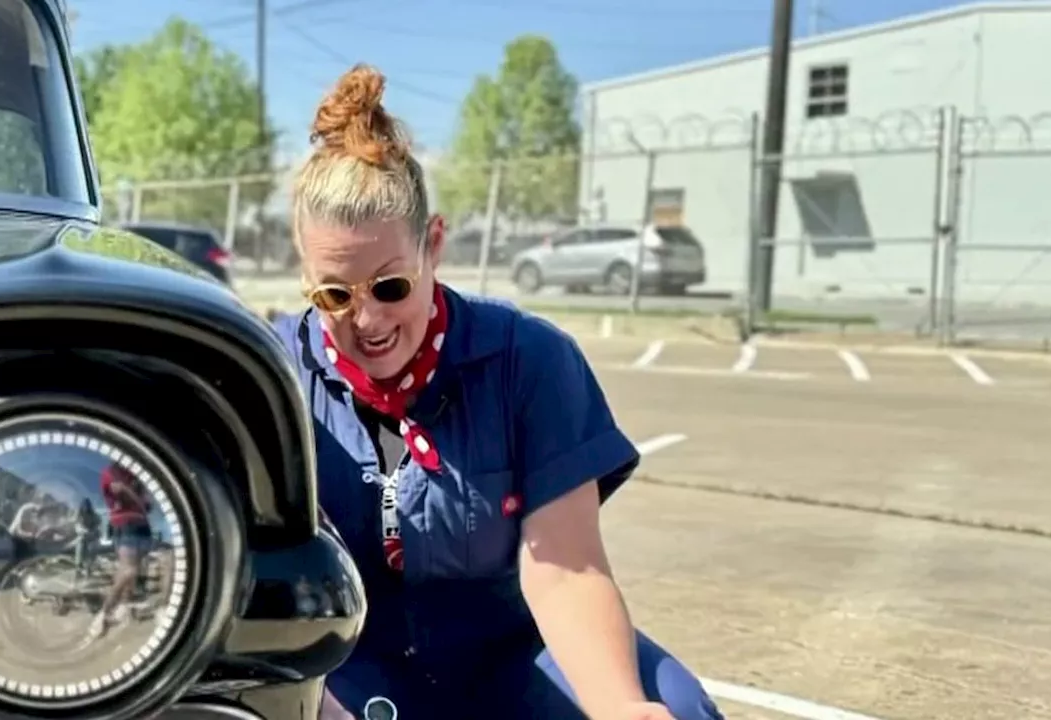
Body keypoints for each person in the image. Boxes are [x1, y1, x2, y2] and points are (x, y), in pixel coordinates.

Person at [271, 64, 725, 720]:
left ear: (433, 245)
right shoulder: (276, 376)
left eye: (391, 286)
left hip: (508, 652)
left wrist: (620, 704)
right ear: (306, 277)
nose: (367, 321)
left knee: (673, 710)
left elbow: (565, 568)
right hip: (349, 658)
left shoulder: (527, 362)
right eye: (334, 295)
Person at [90, 464, 153, 637]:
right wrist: (139, 499)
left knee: (129, 572)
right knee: (129, 571)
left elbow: (148, 505)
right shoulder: (112, 471)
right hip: (125, 524)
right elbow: (120, 489)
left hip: (142, 525)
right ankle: (103, 613)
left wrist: (141, 499)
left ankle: (123, 607)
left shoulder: (137, 475)